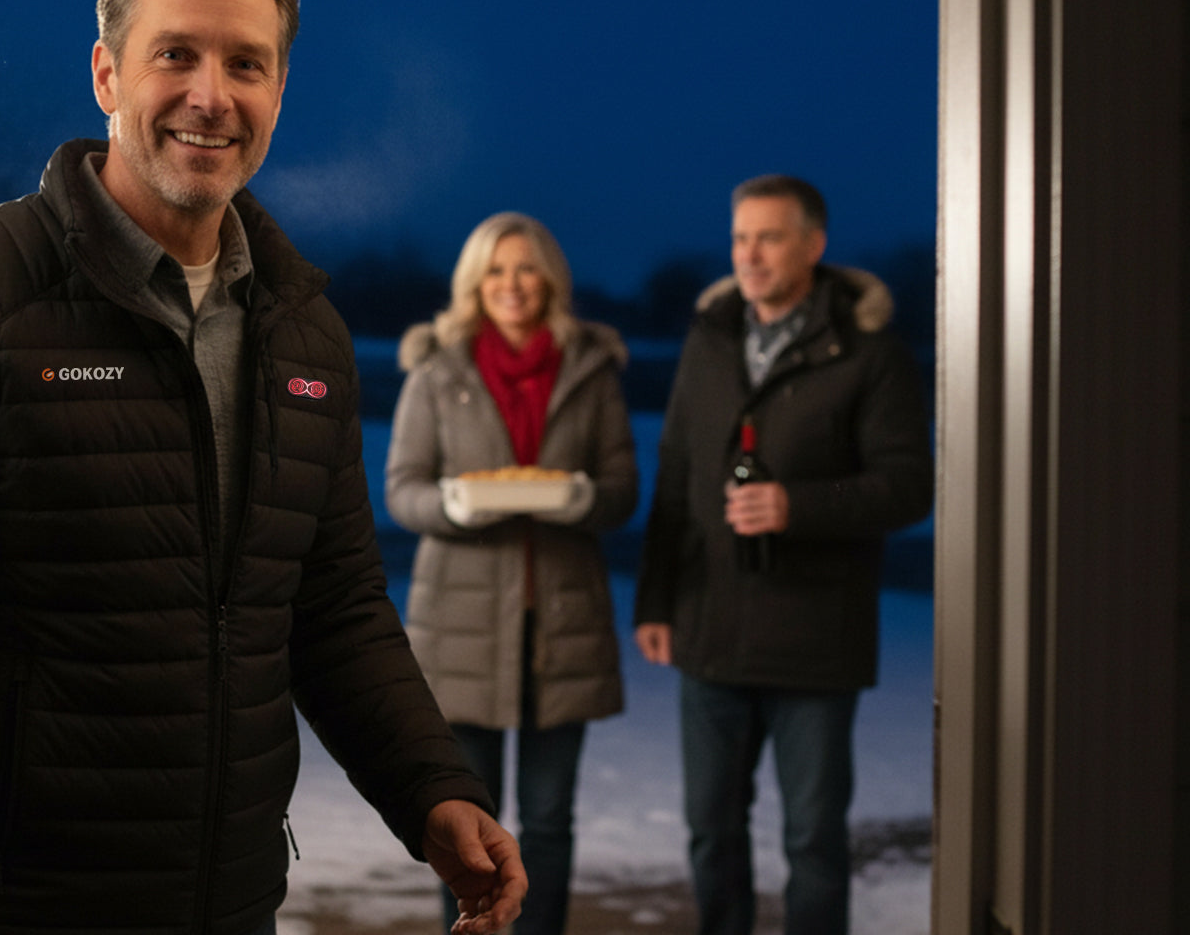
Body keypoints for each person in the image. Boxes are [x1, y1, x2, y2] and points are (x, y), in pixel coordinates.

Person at [0, 0, 525, 935]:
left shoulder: (304, 331)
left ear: (280, 91)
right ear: (107, 74)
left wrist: (433, 788)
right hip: (6, 899)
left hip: (230, 894)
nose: (212, 94)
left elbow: (332, 606)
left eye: (248, 64)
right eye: (176, 55)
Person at [633, 175, 933, 935]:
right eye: (740, 238)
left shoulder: (869, 353)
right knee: (711, 833)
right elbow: (674, 471)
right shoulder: (709, 340)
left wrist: (796, 506)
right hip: (710, 630)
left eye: (769, 237)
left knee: (814, 840)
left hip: (815, 643)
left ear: (813, 244)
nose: (750, 254)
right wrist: (655, 600)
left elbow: (907, 488)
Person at [385, 212, 639, 935]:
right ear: (474, 283)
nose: (512, 285)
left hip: (564, 629)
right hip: (460, 633)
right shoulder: (437, 368)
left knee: (552, 819)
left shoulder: (591, 367)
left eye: (526, 268)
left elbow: (622, 489)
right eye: (495, 270)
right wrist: (454, 504)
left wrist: (584, 497)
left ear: (550, 279)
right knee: (465, 823)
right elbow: (401, 489)